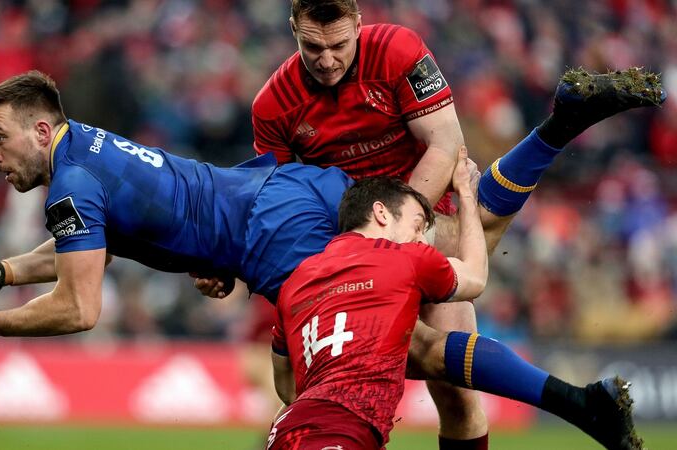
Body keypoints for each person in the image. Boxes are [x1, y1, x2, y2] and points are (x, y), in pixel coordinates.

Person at [0, 70, 657, 449]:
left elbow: (82, 305)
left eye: (0, 137)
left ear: (41, 129)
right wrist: (8, 272)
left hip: (270, 236)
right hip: (274, 193)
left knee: (418, 339)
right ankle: (555, 130)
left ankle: (578, 403)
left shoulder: (68, 183)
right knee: (329, 357)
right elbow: (87, 245)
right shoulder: (85, 155)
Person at [230, 1, 668, 447]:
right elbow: (271, 201)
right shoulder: (273, 104)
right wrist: (219, 263)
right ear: (292, 31)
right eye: (312, 47)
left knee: (457, 394)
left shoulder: (398, 50)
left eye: (339, 45)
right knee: (443, 328)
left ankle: (559, 126)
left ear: (359, 25)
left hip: (419, 208)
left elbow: (446, 145)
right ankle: (558, 128)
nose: (327, 60)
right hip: (351, 236)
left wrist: (407, 229)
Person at [268, 150, 488, 449]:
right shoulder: (405, 258)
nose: (423, 240)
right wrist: (466, 195)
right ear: (382, 213)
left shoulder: (296, 280)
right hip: (340, 432)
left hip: (287, 430)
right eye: (418, 224)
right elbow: (475, 276)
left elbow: (286, 387)